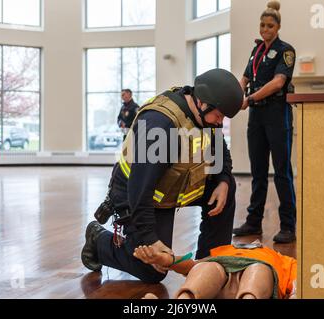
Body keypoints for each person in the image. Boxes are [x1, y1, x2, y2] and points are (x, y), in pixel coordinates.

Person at [81, 69, 244, 283]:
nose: (219, 122)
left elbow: (219, 148)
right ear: (203, 103)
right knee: (153, 270)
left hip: (170, 189)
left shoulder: (204, 116)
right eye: (219, 115)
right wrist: (150, 239)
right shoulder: (161, 124)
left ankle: (209, 264)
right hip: (135, 195)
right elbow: (139, 191)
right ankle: (98, 240)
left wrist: (223, 180)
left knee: (227, 185)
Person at [233, 1, 297, 243]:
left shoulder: (285, 50)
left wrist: (249, 98)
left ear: (278, 27)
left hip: (277, 114)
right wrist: (238, 94)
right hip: (256, 117)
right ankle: (253, 222)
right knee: (257, 172)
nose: (265, 29)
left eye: (270, 25)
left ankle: (288, 225)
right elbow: (245, 77)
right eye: (262, 25)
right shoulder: (257, 50)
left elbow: (279, 82)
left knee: (282, 172)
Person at [133, 240, 297, 299]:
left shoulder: (281, 259)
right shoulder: (224, 250)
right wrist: (167, 260)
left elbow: (298, 286)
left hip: (257, 282)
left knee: (259, 270)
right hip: (219, 281)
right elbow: (192, 266)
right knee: (208, 267)